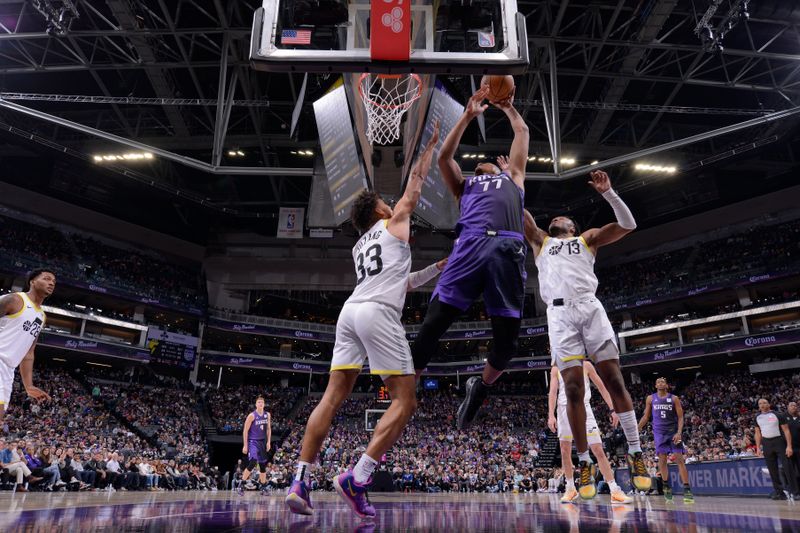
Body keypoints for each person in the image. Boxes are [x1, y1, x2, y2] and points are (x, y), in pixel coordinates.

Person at [285, 122, 445, 518]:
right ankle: (358, 477)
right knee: (405, 401)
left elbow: (399, 282)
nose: (395, 205)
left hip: (351, 313)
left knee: (332, 397)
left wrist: (438, 268)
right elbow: (417, 182)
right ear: (378, 210)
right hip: (377, 314)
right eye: (387, 204)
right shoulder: (393, 223)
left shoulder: (362, 245)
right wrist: (430, 146)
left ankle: (300, 480)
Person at [522, 169, 650, 498]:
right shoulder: (541, 241)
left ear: (573, 227)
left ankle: (636, 453)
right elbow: (517, 212)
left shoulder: (587, 239)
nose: (557, 218)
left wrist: (609, 193)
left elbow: (628, 225)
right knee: (574, 390)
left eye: (563, 218)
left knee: (614, 379)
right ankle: (582, 462)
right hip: (560, 315)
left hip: (589, 307)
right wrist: (511, 181)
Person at [410, 86, 529, 430]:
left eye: (489, 162)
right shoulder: (465, 187)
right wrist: (467, 115)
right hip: (469, 246)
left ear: (502, 167)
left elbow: (522, 132)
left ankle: (481, 388)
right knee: (432, 323)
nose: (482, 163)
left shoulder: (514, 179)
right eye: (478, 165)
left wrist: (508, 107)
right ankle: (406, 392)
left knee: (507, 342)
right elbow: (445, 158)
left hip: (506, 247)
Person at [547, 362, 632, 504]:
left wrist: (612, 408)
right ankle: (570, 489)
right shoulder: (556, 368)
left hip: (584, 408)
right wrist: (551, 414)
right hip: (563, 410)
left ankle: (614, 490)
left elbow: (602, 387)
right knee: (564, 450)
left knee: (598, 449)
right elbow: (553, 392)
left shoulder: (586, 365)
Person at [0, 268, 55, 420]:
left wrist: (28, 385)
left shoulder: (41, 316)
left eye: (53, 281)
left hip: (8, 371)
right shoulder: (14, 300)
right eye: (46, 278)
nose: (51, 283)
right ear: (32, 281)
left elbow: (28, 353)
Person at [637, 377, 694, 503]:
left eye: (663, 381)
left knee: (680, 460)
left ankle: (687, 490)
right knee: (662, 461)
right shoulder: (650, 398)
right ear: (655, 385)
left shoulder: (674, 398)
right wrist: (638, 428)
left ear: (667, 385)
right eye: (658, 382)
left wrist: (679, 432)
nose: (660, 383)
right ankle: (666, 487)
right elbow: (646, 416)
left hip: (673, 432)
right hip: (659, 433)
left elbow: (680, 417)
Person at [754, 398, 798, 500]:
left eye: (764, 403)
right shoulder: (757, 417)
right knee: (772, 469)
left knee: (788, 467)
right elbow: (757, 433)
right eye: (760, 403)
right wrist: (758, 448)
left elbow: (786, 431)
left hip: (779, 442)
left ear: (769, 404)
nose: (762, 405)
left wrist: (789, 446)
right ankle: (779, 492)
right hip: (766, 443)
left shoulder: (778, 414)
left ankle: (795, 492)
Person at [240, 396, 272, 492]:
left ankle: (263, 486)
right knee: (253, 462)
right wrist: (245, 445)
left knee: (262, 465)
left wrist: (269, 442)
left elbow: (268, 429)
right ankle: (241, 484)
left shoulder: (267, 415)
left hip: (262, 441)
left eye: (262, 402)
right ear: (256, 404)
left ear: (264, 404)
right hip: (253, 441)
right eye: (259, 402)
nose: (260, 404)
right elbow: (245, 431)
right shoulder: (252, 415)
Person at [787, 402, 800, 494]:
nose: (794, 407)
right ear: (788, 407)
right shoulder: (784, 419)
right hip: (789, 449)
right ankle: (795, 491)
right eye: (791, 405)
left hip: (799, 449)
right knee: (792, 472)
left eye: (795, 405)